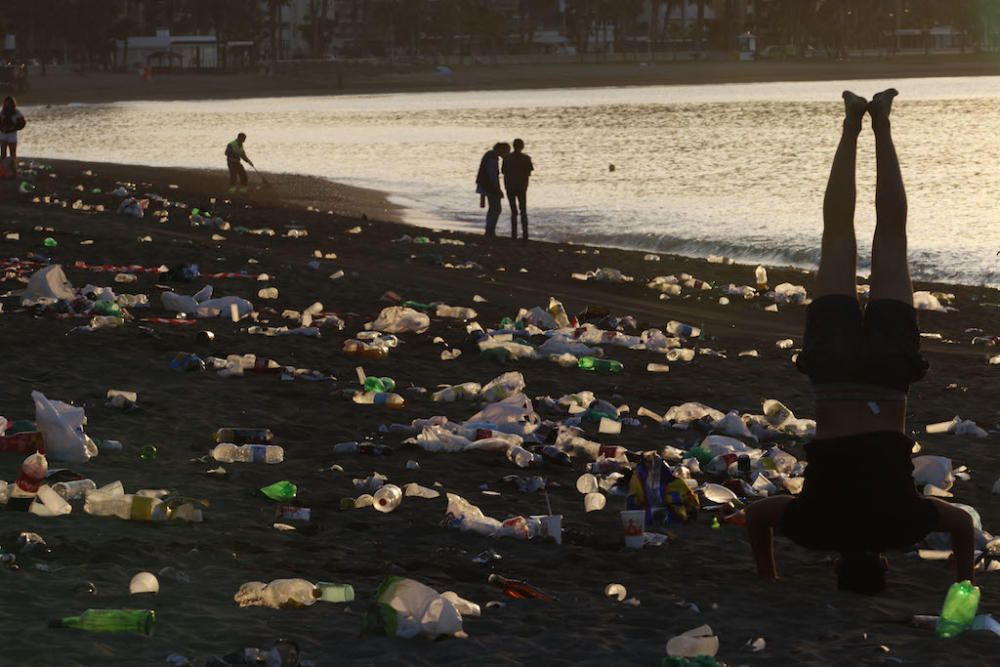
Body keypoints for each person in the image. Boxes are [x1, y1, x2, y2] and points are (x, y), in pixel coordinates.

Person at [744, 90, 975, 595]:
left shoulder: (903, 528)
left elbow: (963, 527)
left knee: (891, 235)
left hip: (890, 377)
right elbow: (756, 516)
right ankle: (852, 124)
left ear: (885, 566)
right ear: (836, 566)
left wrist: (964, 583)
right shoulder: (814, 530)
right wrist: (768, 571)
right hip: (831, 372)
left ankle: (883, 124)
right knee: (837, 234)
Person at [501, 138, 534, 241]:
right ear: (522, 146)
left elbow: (503, 171)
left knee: (513, 211)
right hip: (522, 186)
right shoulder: (526, 158)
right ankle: (525, 234)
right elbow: (529, 172)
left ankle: (514, 234)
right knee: (523, 210)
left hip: (510, 186)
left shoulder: (506, 158)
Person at [476, 142, 510, 237]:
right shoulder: (492, 158)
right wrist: (497, 189)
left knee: (493, 209)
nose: (506, 155)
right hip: (489, 187)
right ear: (501, 149)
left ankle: (489, 229)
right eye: (506, 152)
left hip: (486, 186)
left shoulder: (489, 155)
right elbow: (492, 176)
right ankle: (490, 230)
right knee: (496, 208)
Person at [0, 96, 27, 179]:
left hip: (12, 134)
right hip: (3, 133)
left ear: (12, 103)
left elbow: (22, 123)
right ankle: (3, 172)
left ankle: (14, 172)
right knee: (3, 154)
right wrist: (2, 128)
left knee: (13, 154)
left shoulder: (17, 113)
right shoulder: (2, 112)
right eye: (5, 103)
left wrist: (13, 128)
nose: (7, 104)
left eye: (8, 103)